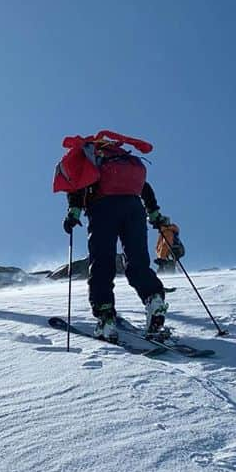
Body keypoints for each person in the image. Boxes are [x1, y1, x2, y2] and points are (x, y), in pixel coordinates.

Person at [59, 133, 174, 342]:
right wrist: (154, 213)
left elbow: (77, 188)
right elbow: (144, 187)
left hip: (103, 208)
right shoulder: (121, 158)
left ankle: (105, 319)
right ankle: (154, 299)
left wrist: (73, 213)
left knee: (102, 262)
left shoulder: (90, 159)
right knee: (137, 262)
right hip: (134, 208)